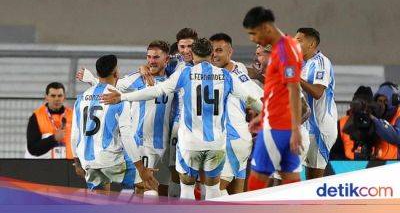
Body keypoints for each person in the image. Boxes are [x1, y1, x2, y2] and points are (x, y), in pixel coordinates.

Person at [101, 38, 263, 200]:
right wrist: (269, 116)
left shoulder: (185, 74)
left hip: (190, 143)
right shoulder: (226, 76)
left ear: (193, 55)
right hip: (216, 143)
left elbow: (156, 91)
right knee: (213, 191)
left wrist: (123, 97)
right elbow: (251, 100)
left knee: (186, 190)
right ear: (211, 54)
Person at [77, 41, 173, 196]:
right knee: (146, 187)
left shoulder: (173, 79)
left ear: (166, 59)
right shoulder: (137, 79)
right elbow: (111, 86)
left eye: (156, 57)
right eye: (148, 57)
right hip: (142, 141)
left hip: (163, 143)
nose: (151, 61)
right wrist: (92, 79)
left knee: (167, 186)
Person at [242, 6, 304, 190]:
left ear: (266, 27)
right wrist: (262, 116)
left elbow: (294, 88)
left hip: (277, 127)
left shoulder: (285, 50)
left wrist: (296, 128)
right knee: (290, 181)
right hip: (279, 124)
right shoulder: (283, 48)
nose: (252, 39)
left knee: (255, 184)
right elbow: (280, 90)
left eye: (253, 33)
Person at [209, 33, 263, 195]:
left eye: (219, 50)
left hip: (231, 140)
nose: (214, 55)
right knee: (236, 194)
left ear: (230, 52)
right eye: (212, 50)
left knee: (211, 190)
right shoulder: (237, 67)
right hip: (236, 139)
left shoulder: (233, 77)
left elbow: (261, 102)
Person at [294, 27, 338, 179]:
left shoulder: (321, 62)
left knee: (314, 181)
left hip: (320, 128)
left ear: (311, 44)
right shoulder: (301, 64)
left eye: (298, 40)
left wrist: (296, 78)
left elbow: (318, 92)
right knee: (302, 178)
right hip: (306, 127)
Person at [334, 83, 400, 160]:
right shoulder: (346, 121)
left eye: (385, 101)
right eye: (380, 101)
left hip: (395, 164)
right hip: (374, 163)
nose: (382, 104)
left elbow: (396, 137)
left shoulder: (379, 119)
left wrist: (374, 120)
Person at [26, 82, 73, 159]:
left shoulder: (73, 115)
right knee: (46, 135)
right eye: (53, 96)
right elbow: (32, 148)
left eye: (60, 96)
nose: (57, 99)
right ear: (46, 97)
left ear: (64, 97)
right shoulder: (36, 116)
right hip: (45, 165)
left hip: (69, 165)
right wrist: (53, 138)